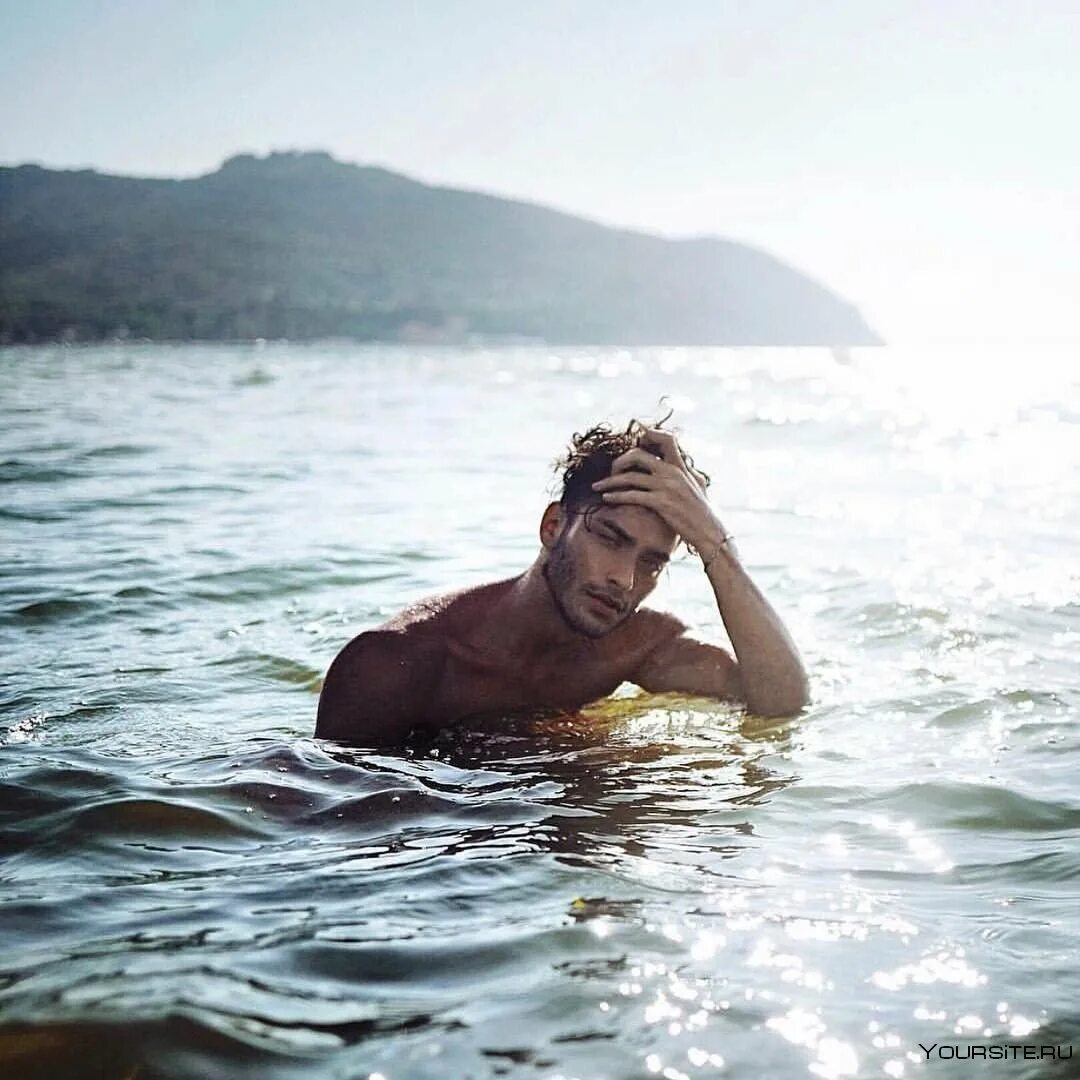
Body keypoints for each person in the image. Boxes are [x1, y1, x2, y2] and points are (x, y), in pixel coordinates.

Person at [316, 420, 809, 745]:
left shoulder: (638, 646)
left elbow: (780, 702)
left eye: (652, 563)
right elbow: (333, 823)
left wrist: (713, 542)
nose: (624, 579)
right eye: (610, 538)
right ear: (554, 527)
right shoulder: (394, 662)